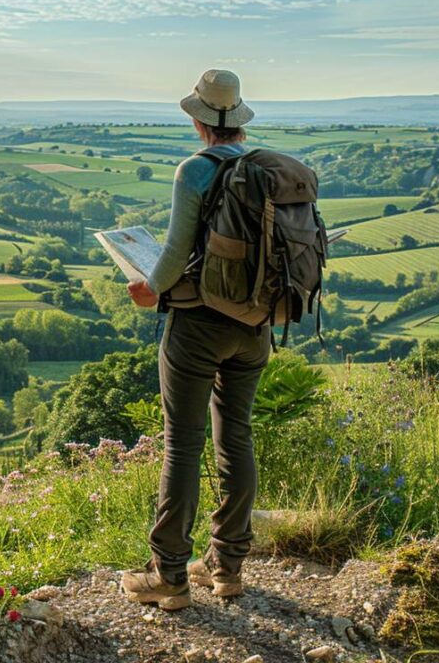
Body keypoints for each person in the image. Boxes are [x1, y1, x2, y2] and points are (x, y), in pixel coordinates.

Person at [120, 69, 271, 612]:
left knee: (182, 444)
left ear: (197, 118)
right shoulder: (268, 170)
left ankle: (170, 576)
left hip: (200, 325)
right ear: (238, 120)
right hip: (257, 325)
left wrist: (148, 290)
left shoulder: (196, 171)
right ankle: (227, 568)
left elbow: (174, 253)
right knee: (237, 437)